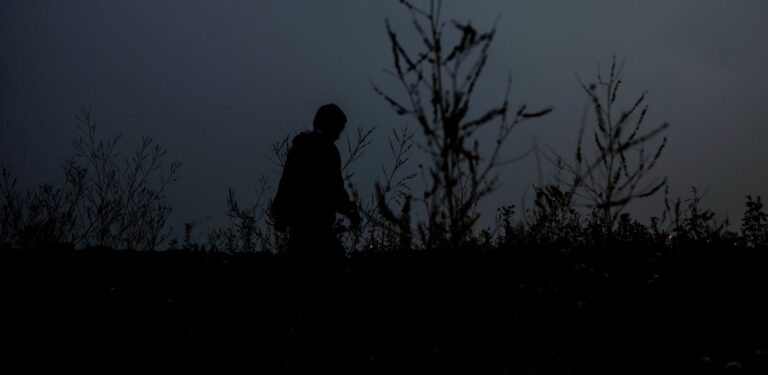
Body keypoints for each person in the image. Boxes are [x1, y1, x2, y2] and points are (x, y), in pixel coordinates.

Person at [271, 103, 360, 258]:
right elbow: (334, 188)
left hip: (298, 227)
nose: (339, 135)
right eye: (339, 129)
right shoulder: (328, 150)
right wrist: (350, 210)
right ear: (331, 125)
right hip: (319, 225)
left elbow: (287, 183)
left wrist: (280, 214)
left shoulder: (299, 147)